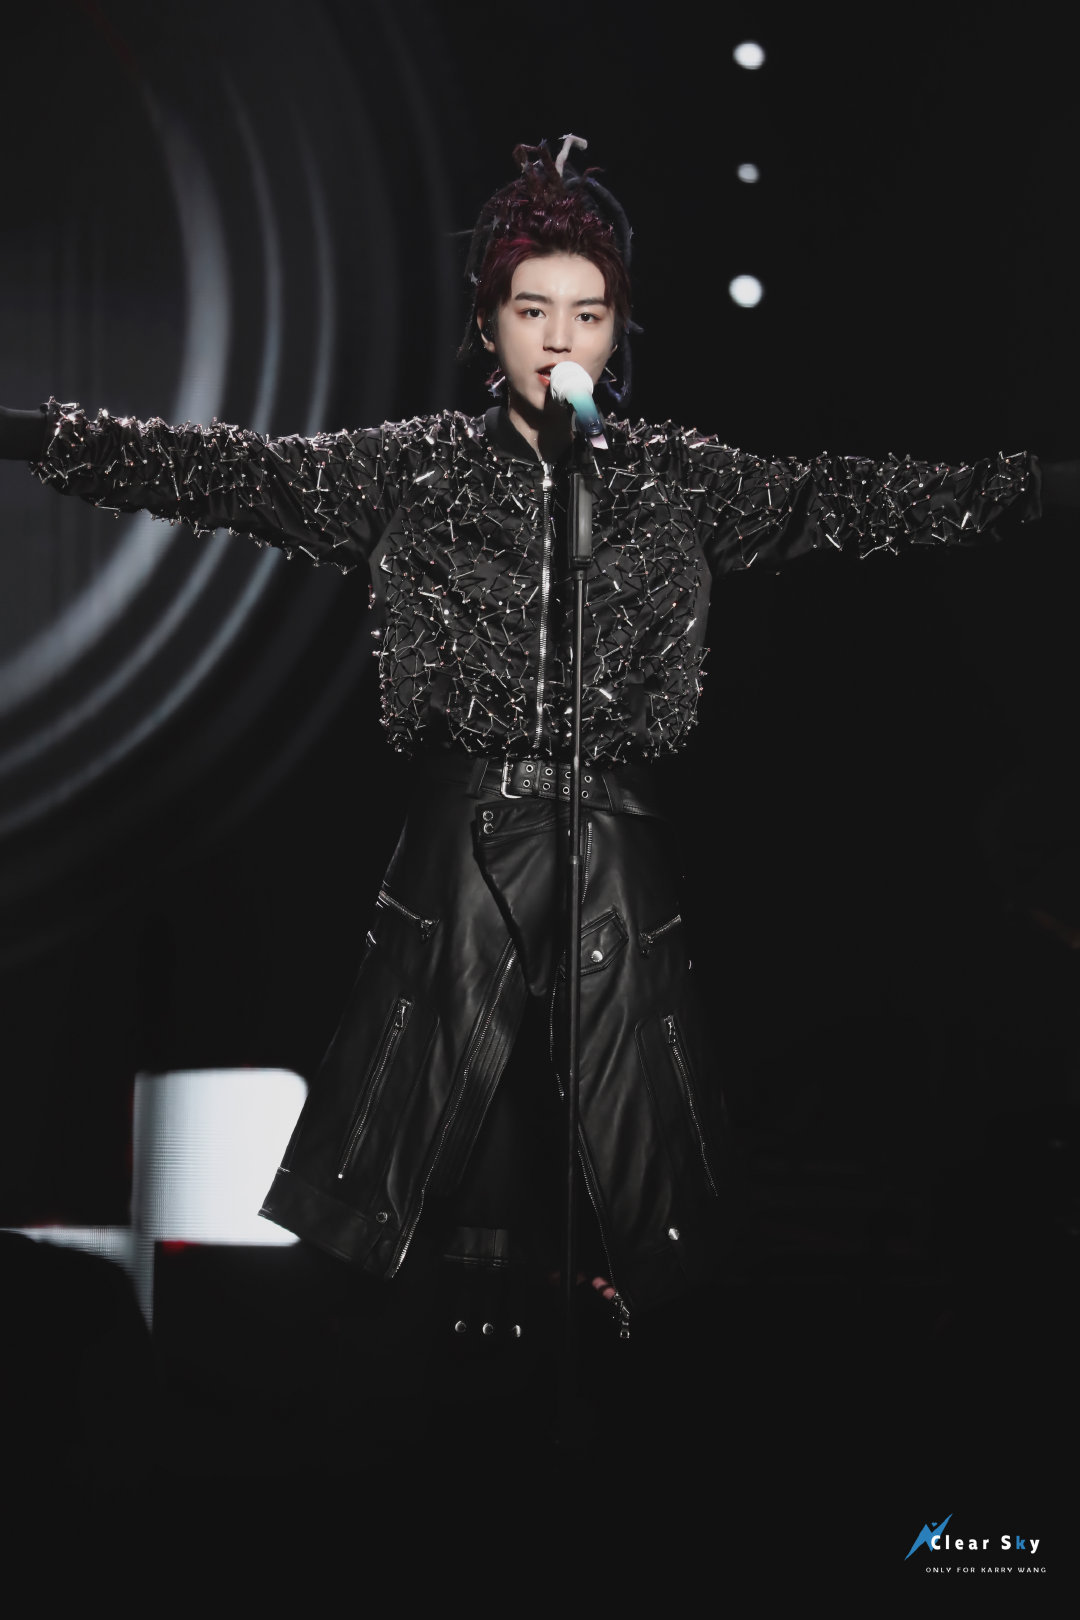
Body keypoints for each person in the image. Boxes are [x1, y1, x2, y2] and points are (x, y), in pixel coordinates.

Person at [0, 136, 1066, 1347]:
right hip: (463, 851)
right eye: (532, 310)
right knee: (448, 1164)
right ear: (489, 324)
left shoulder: (673, 481)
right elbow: (224, 471)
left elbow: (849, 497)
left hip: (615, 850)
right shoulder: (415, 472)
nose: (561, 339)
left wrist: (1042, 485)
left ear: (617, 334)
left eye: (588, 315)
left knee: (622, 1162)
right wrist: (34, 434)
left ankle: (597, 1383)